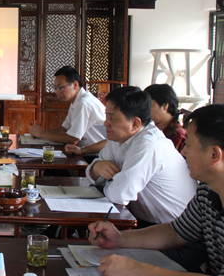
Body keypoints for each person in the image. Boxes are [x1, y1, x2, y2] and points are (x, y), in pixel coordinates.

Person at [88, 104, 224, 275]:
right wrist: (119, 239)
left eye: (188, 144)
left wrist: (139, 270)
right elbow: (176, 232)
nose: (183, 151)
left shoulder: (149, 143)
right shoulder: (207, 190)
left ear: (214, 155)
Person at [86, 86, 196, 226]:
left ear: (135, 123)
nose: (105, 123)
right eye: (106, 115)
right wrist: (97, 168)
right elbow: (94, 176)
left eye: (112, 118)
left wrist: (108, 182)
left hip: (175, 228)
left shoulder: (149, 144)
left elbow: (119, 195)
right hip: (144, 220)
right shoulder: (118, 138)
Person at [29, 66, 107, 155]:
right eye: (55, 88)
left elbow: (73, 139)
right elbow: (64, 129)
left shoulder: (83, 103)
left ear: (75, 85)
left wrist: (42, 133)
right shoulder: (76, 101)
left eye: (61, 87)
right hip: (87, 152)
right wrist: (41, 132)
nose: (57, 92)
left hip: (97, 155)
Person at [144, 83, 186, 151]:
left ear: (165, 106)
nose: (144, 110)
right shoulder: (148, 129)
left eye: (149, 106)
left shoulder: (177, 136)